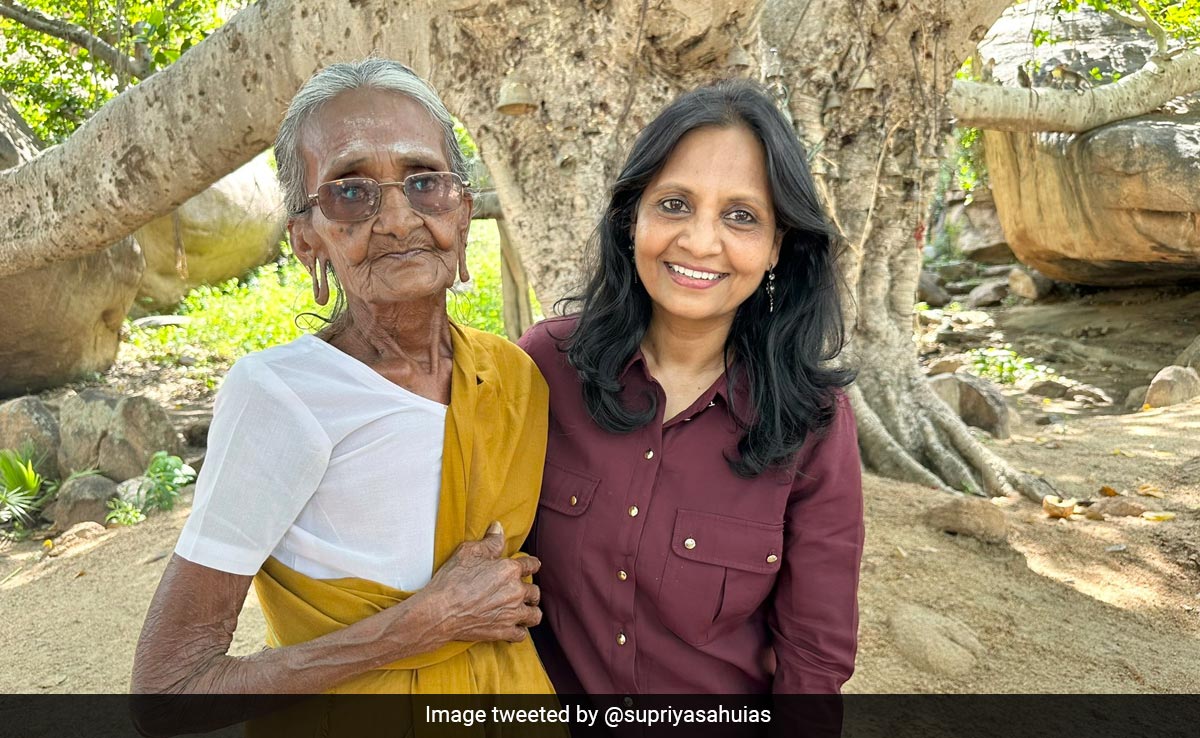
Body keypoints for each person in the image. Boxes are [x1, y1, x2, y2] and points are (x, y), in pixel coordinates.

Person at [132, 59, 553, 710]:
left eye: (425, 182)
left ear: (463, 212)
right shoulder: (280, 396)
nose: (398, 219)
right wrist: (427, 623)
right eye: (350, 194)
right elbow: (169, 689)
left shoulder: (512, 375)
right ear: (307, 241)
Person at [519, 79, 864, 695]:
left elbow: (814, 658)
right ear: (632, 219)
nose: (700, 242)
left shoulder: (812, 420)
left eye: (741, 216)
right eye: (675, 204)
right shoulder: (545, 367)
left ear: (777, 246)